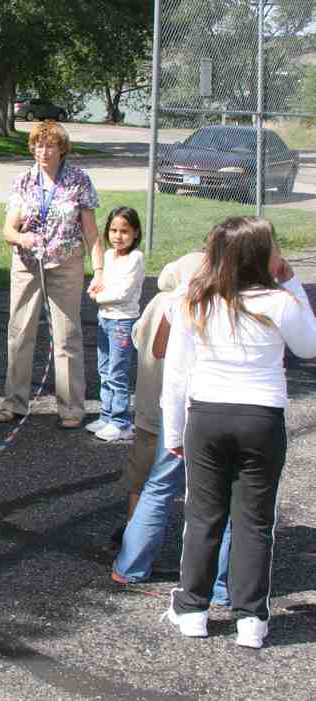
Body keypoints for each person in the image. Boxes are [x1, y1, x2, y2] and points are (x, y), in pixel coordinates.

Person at [161, 216, 316, 648]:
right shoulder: (279, 302)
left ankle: (192, 608)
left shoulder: (196, 299)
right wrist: (294, 284)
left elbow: (176, 372)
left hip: (207, 414)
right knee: (254, 521)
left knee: (203, 515)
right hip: (260, 418)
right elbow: (310, 345)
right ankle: (251, 618)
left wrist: (173, 428)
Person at [112, 252, 230, 607]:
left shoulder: (175, 302)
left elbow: (159, 349)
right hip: (218, 408)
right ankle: (219, 585)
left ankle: (130, 565)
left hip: (173, 409)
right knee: (221, 498)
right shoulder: (240, 302)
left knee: (158, 486)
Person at [0, 121, 104, 429]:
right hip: (27, 265)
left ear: (62, 149)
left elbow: (91, 233)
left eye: (50, 145)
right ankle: (13, 402)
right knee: (19, 332)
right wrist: (21, 238)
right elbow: (8, 229)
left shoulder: (78, 180)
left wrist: (100, 270)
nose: (43, 151)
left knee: (67, 336)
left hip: (65, 264)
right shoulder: (24, 180)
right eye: (39, 145)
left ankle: (71, 408)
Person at [87, 206, 145, 442]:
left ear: (135, 233)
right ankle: (107, 414)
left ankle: (121, 422)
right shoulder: (109, 256)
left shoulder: (135, 258)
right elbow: (101, 279)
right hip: (105, 318)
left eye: (124, 231)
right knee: (104, 370)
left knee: (117, 373)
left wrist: (97, 296)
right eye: (113, 230)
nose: (118, 236)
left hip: (122, 322)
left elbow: (122, 292)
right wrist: (94, 284)